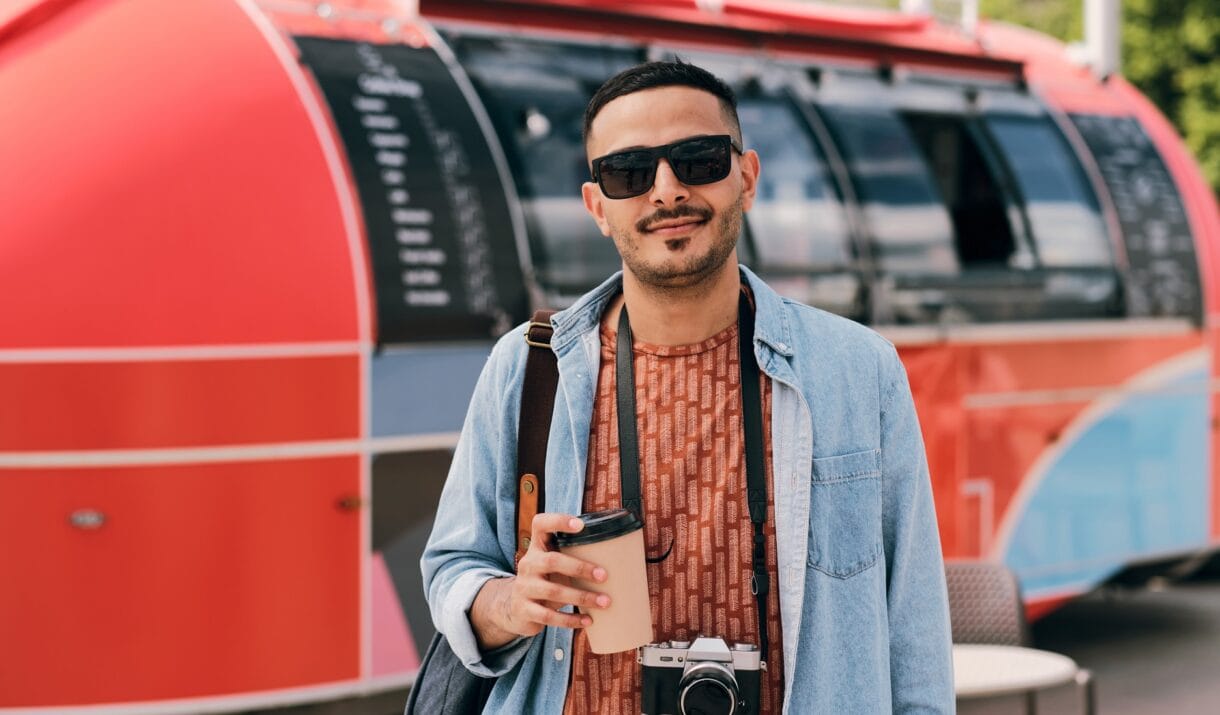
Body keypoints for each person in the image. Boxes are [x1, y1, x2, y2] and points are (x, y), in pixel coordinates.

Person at [421, 60, 954, 713]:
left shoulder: (858, 369)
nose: (667, 190)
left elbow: (915, 632)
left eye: (697, 159)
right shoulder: (529, 367)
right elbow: (454, 567)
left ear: (747, 177)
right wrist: (513, 601)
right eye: (629, 173)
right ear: (598, 206)